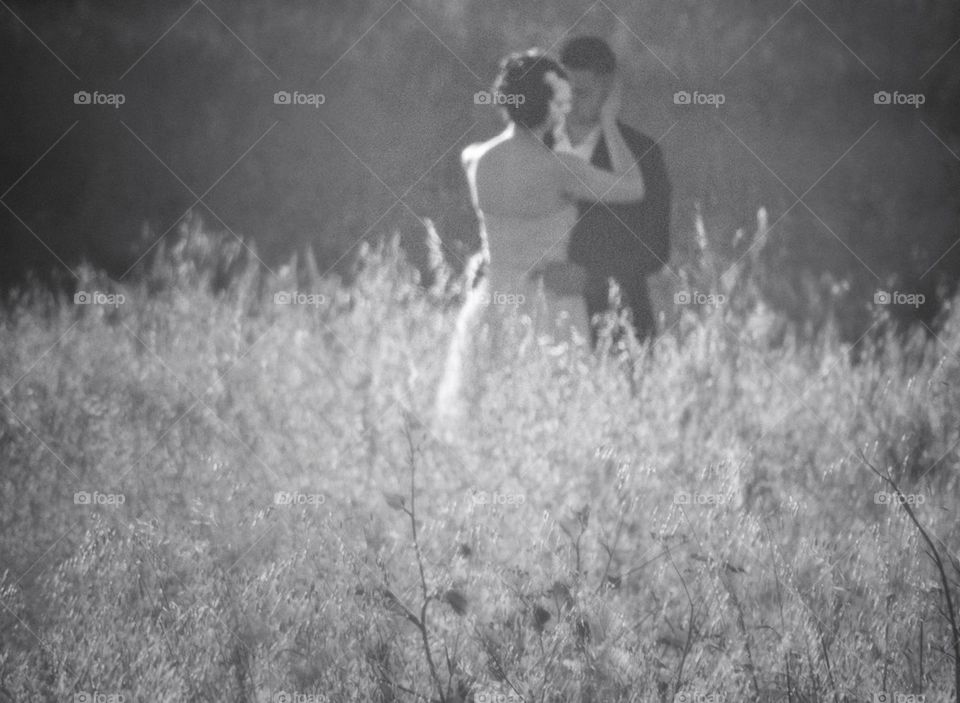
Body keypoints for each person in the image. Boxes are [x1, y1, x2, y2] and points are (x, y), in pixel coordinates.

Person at [435, 48, 646, 429]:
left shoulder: (474, 158)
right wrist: (609, 123)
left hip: (493, 299)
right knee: (551, 414)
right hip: (549, 302)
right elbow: (633, 186)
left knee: (487, 414)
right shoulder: (561, 170)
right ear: (549, 107)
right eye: (562, 103)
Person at [548, 36, 672, 348]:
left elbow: (655, 248)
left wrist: (588, 277)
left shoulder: (643, 154)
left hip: (618, 324)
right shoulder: (533, 146)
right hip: (540, 319)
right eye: (562, 93)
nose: (569, 104)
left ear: (609, 90)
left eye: (582, 93)